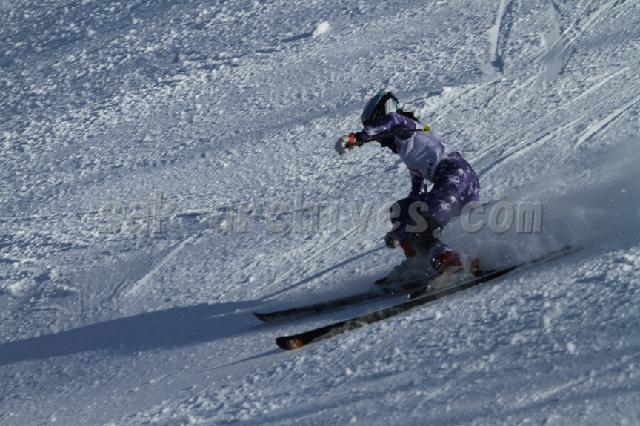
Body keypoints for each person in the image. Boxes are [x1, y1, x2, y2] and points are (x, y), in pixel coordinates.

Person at [338, 90, 480, 280]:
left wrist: (359, 137)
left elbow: (394, 119)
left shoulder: (407, 128)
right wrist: (400, 232)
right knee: (402, 210)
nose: (380, 141)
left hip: (456, 176)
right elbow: (418, 194)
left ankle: (450, 261)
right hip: (454, 182)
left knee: (423, 226)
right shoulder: (409, 152)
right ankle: (419, 263)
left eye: (377, 132)